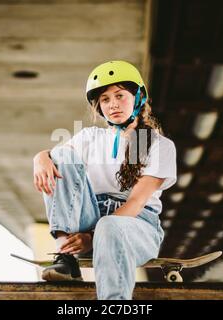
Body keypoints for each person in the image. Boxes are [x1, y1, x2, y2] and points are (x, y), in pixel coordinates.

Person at [32, 60, 177, 300]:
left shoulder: (160, 146)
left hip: (136, 225)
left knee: (109, 226)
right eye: (105, 99)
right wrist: (40, 158)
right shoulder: (90, 137)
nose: (113, 105)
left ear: (138, 98)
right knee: (61, 155)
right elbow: (57, 158)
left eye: (120, 96)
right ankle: (65, 255)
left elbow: (135, 204)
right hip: (88, 216)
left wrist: (91, 236)